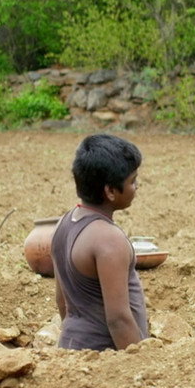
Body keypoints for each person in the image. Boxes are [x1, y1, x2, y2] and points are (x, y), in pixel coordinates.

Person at [51, 133, 149, 351]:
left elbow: (62, 301)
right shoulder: (109, 239)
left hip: (70, 349)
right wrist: (141, 362)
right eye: (132, 181)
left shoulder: (63, 224)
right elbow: (118, 319)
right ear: (110, 191)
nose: (136, 187)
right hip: (103, 357)